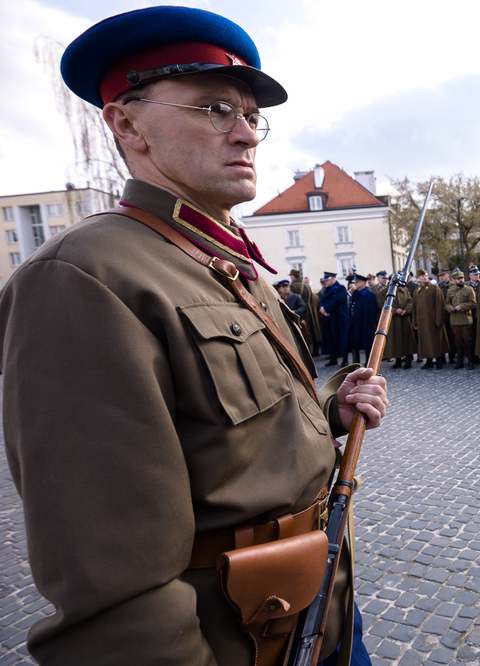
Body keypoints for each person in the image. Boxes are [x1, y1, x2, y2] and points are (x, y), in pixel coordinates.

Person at [0, 7, 388, 665]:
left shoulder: (228, 262)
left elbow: (224, 436)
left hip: (320, 615)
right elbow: (116, 591)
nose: (245, 135)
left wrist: (331, 410)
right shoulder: (85, 277)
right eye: (214, 109)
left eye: (249, 116)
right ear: (127, 122)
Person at [376, 271, 417, 369]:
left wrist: (406, 310)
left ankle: (408, 360)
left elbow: (410, 301)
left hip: (404, 318)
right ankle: (398, 360)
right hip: (393, 320)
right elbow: (382, 304)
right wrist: (394, 311)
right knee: (395, 341)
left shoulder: (404, 290)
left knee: (407, 340)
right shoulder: (384, 292)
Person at [412, 268, 449, 369]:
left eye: (426, 276)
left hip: (432, 320)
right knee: (424, 341)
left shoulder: (434, 289)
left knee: (435, 340)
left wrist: (438, 319)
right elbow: (414, 307)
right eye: (422, 276)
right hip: (421, 321)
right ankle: (428, 361)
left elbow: (439, 305)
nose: (425, 278)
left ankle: (439, 361)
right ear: (418, 278)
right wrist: (414, 322)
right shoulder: (417, 291)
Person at [445, 268, 477, 369]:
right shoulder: (450, 290)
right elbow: (446, 303)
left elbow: (473, 303)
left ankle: (471, 361)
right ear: (453, 280)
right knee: (457, 341)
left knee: (468, 340)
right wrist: (449, 307)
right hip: (454, 320)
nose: (461, 280)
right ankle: (460, 362)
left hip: (465, 319)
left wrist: (462, 307)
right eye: (458, 278)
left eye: (462, 278)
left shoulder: (469, 289)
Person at [319, 271, 350, 366]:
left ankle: (345, 359)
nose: (325, 282)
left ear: (333, 278)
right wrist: (322, 309)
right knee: (330, 338)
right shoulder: (326, 289)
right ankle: (333, 358)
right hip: (329, 317)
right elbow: (322, 300)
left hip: (339, 317)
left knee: (341, 338)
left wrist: (326, 309)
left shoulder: (340, 288)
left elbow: (338, 300)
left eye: (327, 280)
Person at [347, 273, 378, 366]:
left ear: (363, 283)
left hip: (364, 323)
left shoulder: (370, 294)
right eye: (355, 282)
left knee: (366, 344)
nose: (355, 283)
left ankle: (368, 363)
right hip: (354, 322)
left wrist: (370, 322)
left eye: (357, 282)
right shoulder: (355, 293)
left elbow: (373, 311)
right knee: (354, 343)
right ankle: (355, 363)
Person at [290, 268, 321, 355]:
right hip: (309, 309)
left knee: (304, 330)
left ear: (293, 276)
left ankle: (307, 352)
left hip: (300, 310)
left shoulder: (293, 286)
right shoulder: (306, 284)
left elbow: (293, 299)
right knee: (312, 329)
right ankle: (315, 350)